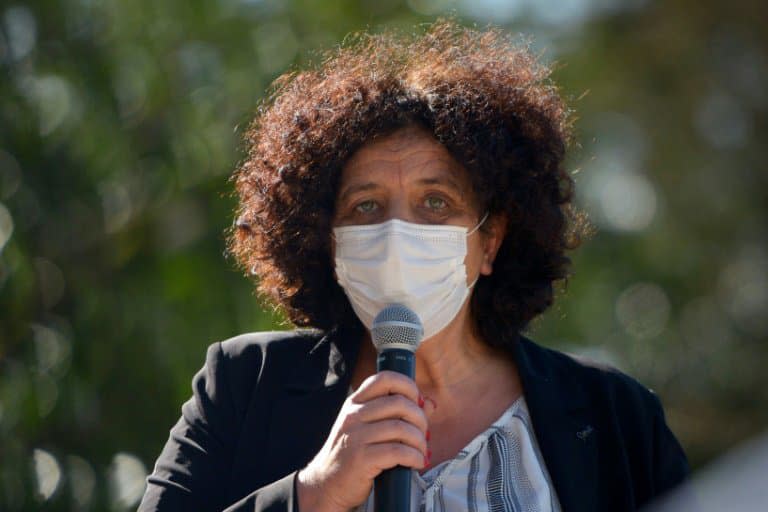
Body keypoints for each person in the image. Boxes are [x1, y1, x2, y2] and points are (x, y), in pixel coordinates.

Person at [138, 19, 689, 512]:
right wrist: (314, 493)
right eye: (366, 207)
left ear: (491, 240)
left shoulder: (616, 417)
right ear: (328, 242)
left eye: (436, 203)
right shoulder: (244, 385)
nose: (398, 232)